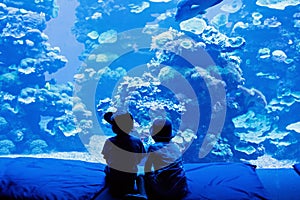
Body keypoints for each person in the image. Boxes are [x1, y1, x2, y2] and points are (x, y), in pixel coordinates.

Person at [101, 111, 147, 199]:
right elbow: (141, 159)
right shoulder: (137, 141)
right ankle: (143, 193)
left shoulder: (109, 141)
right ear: (131, 126)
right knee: (140, 175)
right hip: (129, 179)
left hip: (114, 179)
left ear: (113, 128)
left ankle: (117, 192)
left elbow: (106, 157)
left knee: (106, 168)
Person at [144, 118, 189, 200]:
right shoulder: (175, 147)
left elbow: (147, 169)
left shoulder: (153, 147)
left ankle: (144, 196)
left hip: (162, 190)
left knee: (143, 176)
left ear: (154, 135)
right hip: (181, 189)